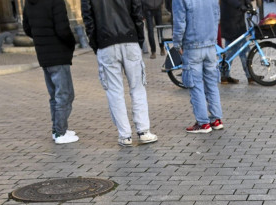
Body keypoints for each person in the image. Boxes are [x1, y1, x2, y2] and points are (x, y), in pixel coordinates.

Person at [83, 0, 159, 146]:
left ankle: (125, 135)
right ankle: (143, 131)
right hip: (130, 40)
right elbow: (137, 12)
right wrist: (139, 39)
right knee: (137, 88)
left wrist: (96, 45)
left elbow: (88, 19)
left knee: (114, 91)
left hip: (106, 44)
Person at [25, 0, 79, 144]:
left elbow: (27, 28)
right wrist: (72, 42)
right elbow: (63, 29)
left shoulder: (29, 3)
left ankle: (57, 130)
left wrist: (42, 39)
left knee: (55, 96)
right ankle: (60, 133)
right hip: (58, 53)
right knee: (65, 95)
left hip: (44, 55)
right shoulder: (55, 1)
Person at [172, 0, 223, 132]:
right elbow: (217, 16)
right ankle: (216, 119)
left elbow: (179, 22)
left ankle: (203, 123)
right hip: (210, 45)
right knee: (212, 84)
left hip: (192, 45)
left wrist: (177, 44)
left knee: (195, 85)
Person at [219, 0, 247, 83]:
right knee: (241, 49)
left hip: (238, 21)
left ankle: (225, 75)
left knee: (237, 48)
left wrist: (247, 3)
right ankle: (250, 75)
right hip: (230, 21)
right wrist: (239, 5)